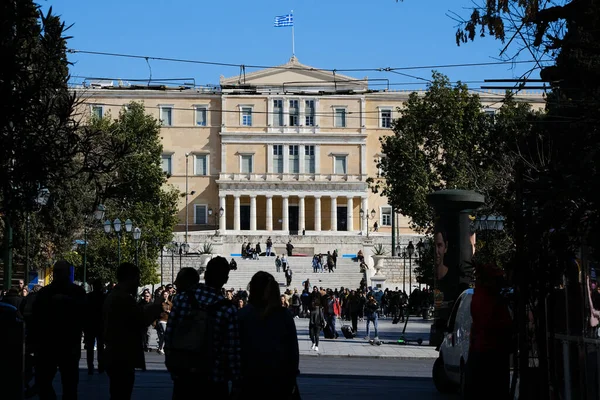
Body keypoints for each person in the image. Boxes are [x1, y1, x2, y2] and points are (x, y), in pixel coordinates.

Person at [165, 256, 241, 399]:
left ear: (205, 275)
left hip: (184, 374)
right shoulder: (228, 310)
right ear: (225, 280)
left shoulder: (181, 299)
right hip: (214, 378)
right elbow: (232, 349)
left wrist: (173, 366)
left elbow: (170, 335)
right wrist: (236, 381)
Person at [103, 263, 162, 400]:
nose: (138, 283)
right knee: (122, 392)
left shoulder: (115, 296)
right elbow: (140, 320)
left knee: (118, 392)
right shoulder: (123, 298)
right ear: (130, 278)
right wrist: (156, 307)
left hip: (115, 353)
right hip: (121, 354)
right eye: (137, 278)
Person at [31, 260, 87, 400]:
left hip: (63, 344)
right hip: (52, 344)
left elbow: (85, 314)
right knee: (49, 382)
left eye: (60, 272)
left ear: (67, 273)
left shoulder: (74, 293)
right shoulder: (48, 293)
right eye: (56, 271)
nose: (58, 275)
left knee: (67, 384)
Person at [238, 271, 299, 397]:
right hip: (279, 380)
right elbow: (293, 351)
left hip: (250, 380)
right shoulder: (284, 315)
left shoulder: (242, 315)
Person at [465, 262, 512, 400]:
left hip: (483, 350)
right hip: (490, 352)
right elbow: (495, 324)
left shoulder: (480, 296)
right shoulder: (488, 299)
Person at [84, 279, 106, 375]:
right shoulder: (104, 297)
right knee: (101, 347)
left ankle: (90, 366)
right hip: (100, 324)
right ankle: (101, 366)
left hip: (90, 325)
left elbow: (84, 311)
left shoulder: (88, 297)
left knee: (90, 347)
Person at [308, 287, 325, 352]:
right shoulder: (311, 309)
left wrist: (323, 321)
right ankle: (313, 342)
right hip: (312, 322)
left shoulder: (319, 309)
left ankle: (317, 346)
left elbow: (322, 315)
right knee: (311, 334)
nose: (313, 303)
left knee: (317, 335)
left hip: (318, 323)